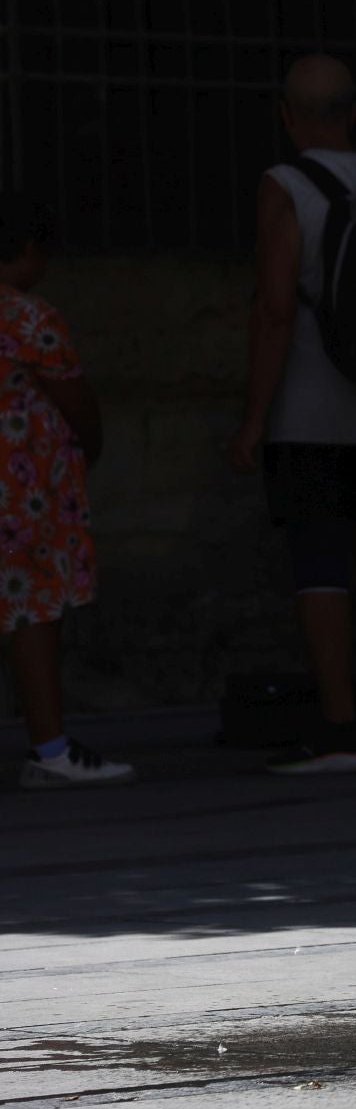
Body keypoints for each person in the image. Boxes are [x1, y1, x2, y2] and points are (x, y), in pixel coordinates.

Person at [226, 55, 356, 776]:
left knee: (321, 559)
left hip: (314, 407)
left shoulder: (283, 186)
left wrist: (254, 418)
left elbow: (276, 307)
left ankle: (339, 729)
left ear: (287, 117)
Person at [0, 194, 133, 789]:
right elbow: (77, 401)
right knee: (33, 610)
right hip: (25, 491)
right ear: (27, 251)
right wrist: (90, 447)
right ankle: (50, 748)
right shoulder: (32, 319)